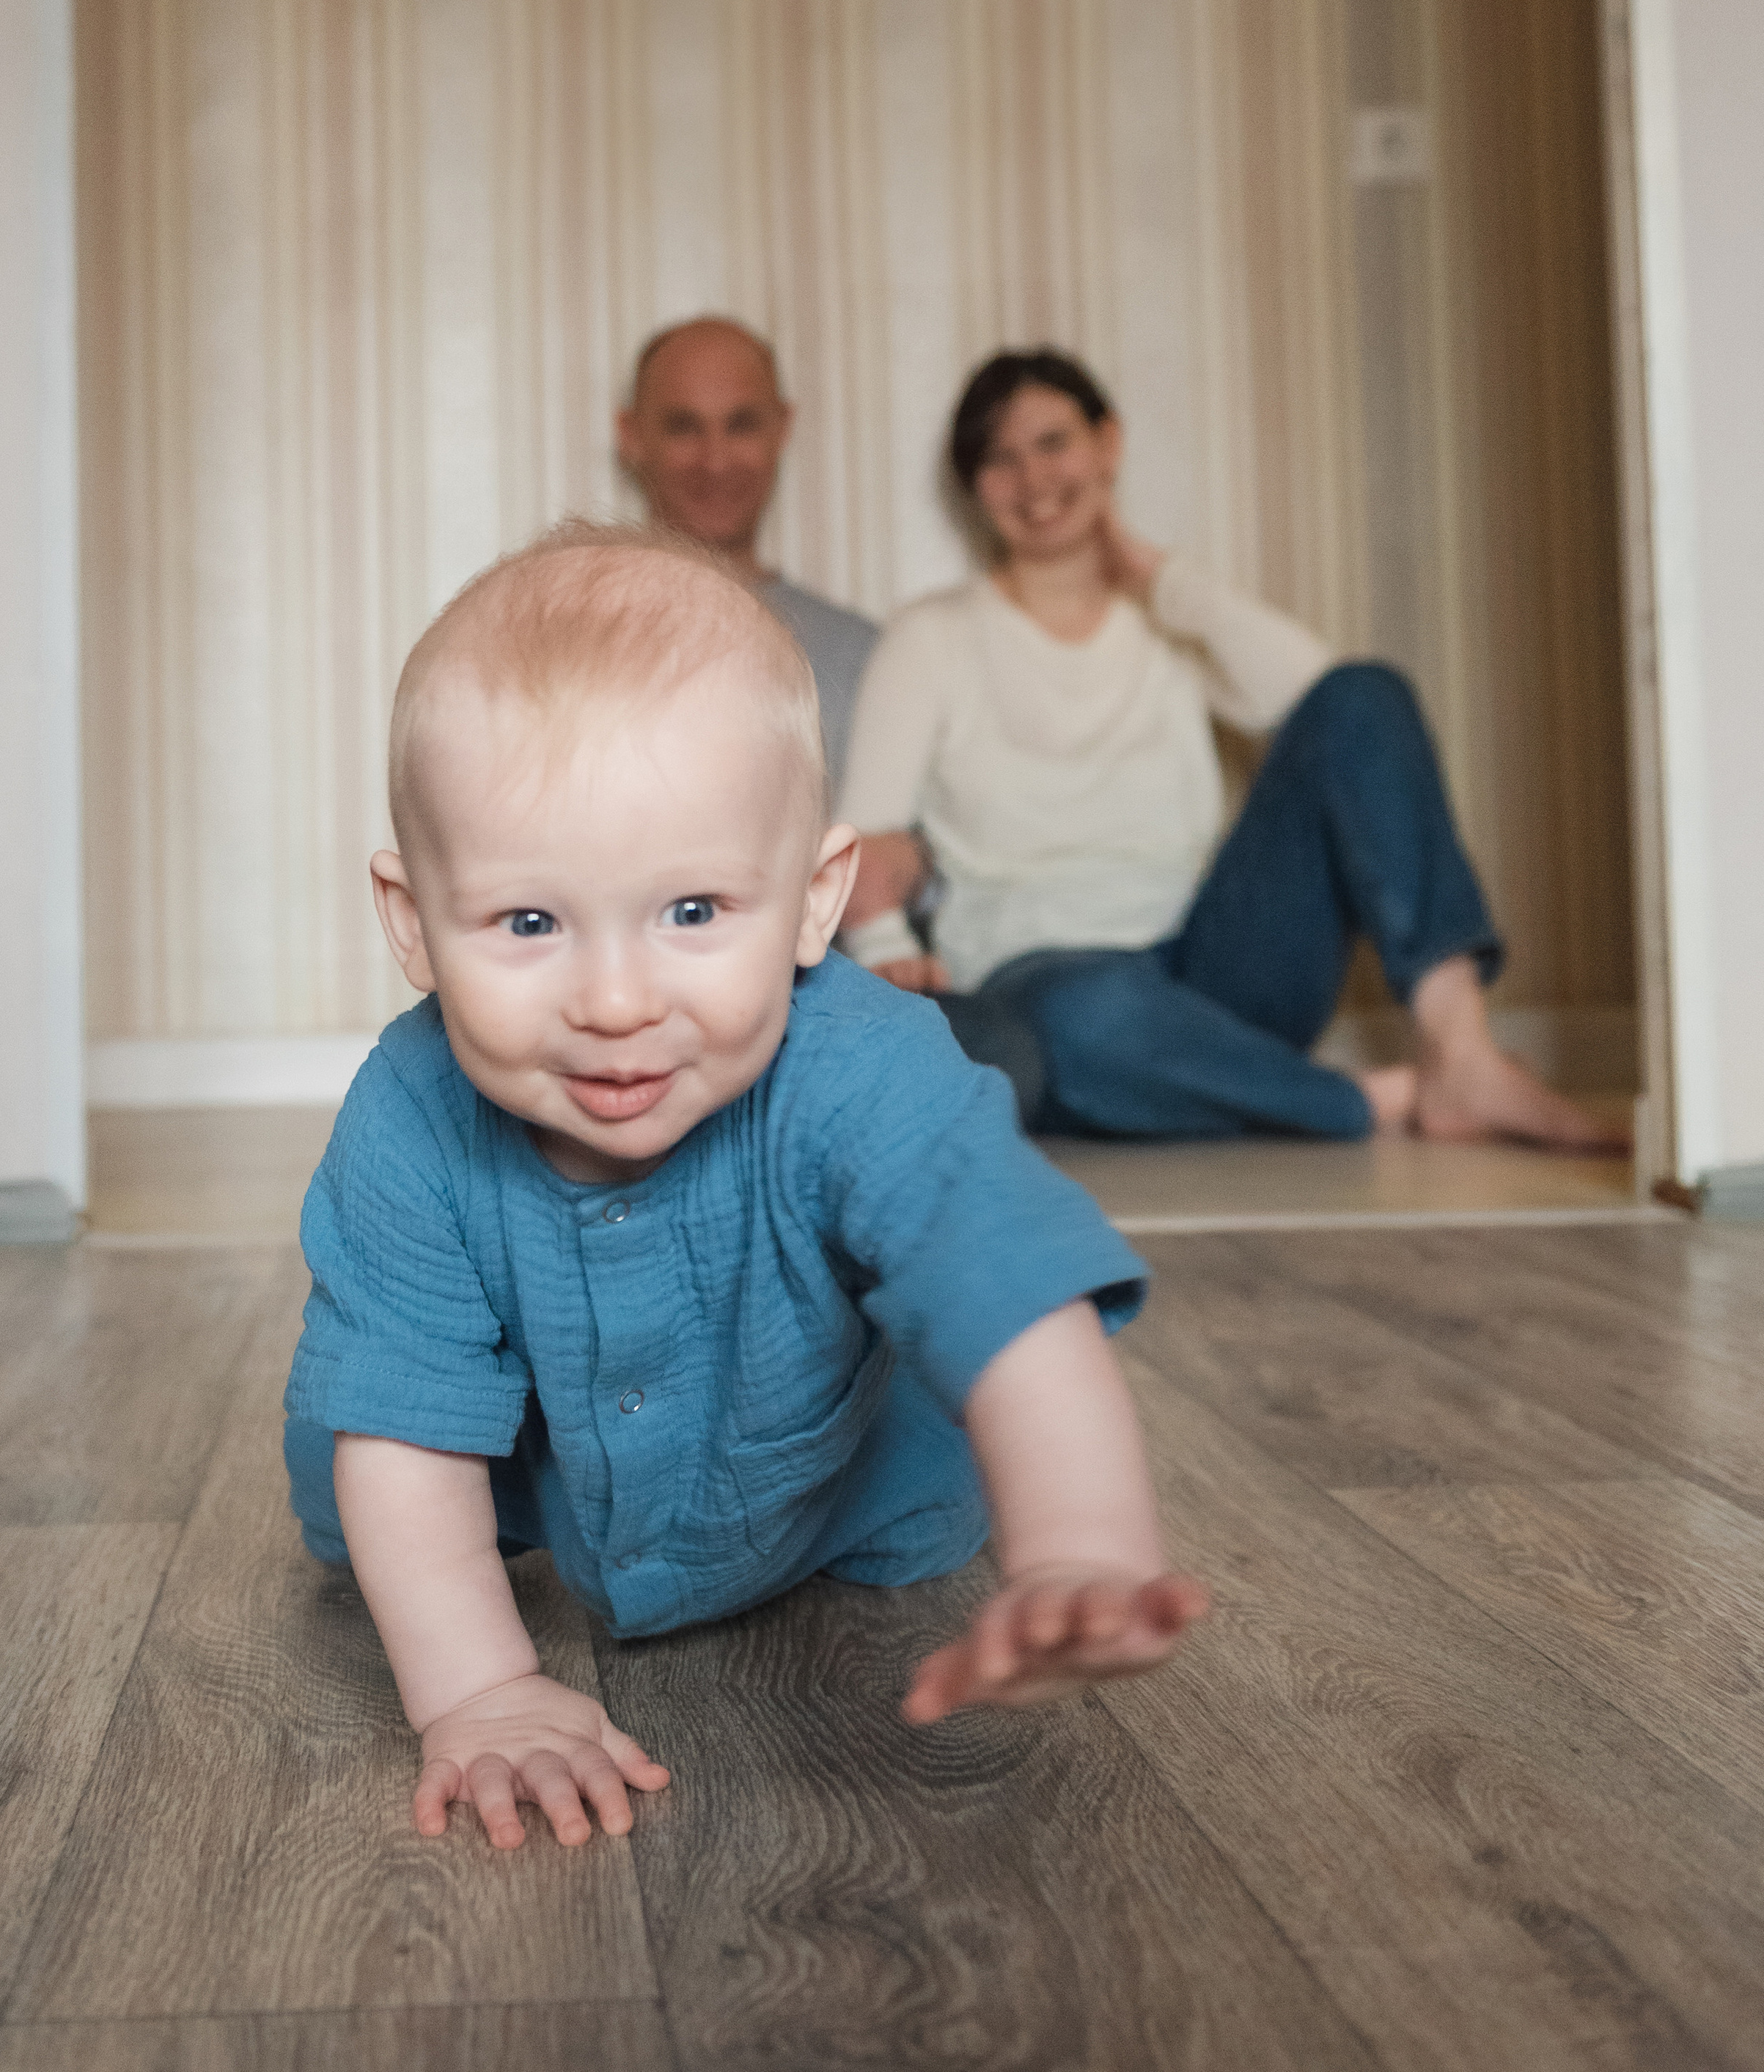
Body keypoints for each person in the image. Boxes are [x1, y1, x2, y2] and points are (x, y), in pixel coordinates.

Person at [283, 526, 1207, 1852]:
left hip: (852, 1486)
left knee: (923, 1474)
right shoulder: (407, 1115)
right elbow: (406, 1425)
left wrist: (1079, 1549)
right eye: (531, 922)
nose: (616, 1000)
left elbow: (1008, 1280)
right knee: (354, 1458)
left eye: (694, 911)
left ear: (818, 898)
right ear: (414, 922)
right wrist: (480, 1690)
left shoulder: (870, 1065)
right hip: (539, 1488)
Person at [837, 348, 1620, 1153]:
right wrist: (887, 950)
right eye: (999, 459)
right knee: (1082, 1018)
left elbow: (1337, 709)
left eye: (1053, 443)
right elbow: (865, 839)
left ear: (1108, 443)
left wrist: (1162, 580)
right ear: (974, 487)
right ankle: (1375, 1096)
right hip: (1043, 978)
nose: (1032, 478)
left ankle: (1459, 1047)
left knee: (1366, 689)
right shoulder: (930, 637)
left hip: (1216, 965)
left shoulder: (1169, 618)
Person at [617, 315, 877, 798]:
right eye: (683, 427)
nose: (715, 461)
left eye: (741, 426)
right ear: (631, 435)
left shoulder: (869, 661)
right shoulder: (567, 636)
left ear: (783, 429)